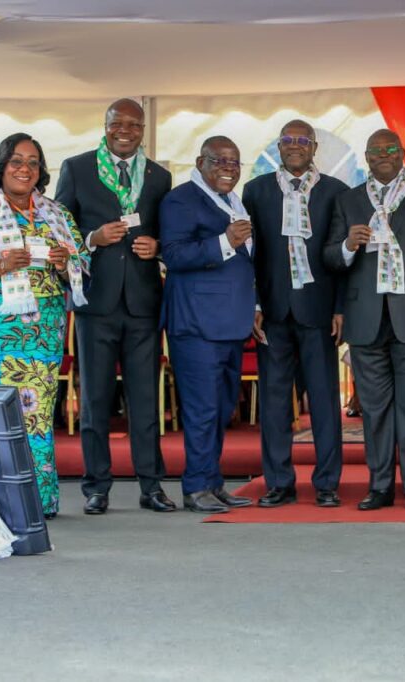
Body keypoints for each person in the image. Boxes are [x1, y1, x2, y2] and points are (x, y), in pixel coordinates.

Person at [0, 133, 90, 518]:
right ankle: (2, 499)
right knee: (2, 411)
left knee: (38, 412)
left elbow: (83, 263)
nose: (25, 169)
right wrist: (1, 265)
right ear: (2, 166)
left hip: (44, 331)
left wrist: (64, 263)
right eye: (17, 161)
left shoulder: (56, 213)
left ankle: (39, 501)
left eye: (33, 163)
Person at [55, 98, 175, 515]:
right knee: (95, 400)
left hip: (143, 301)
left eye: (134, 124)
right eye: (117, 123)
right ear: (104, 126)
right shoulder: (77, 168)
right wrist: (92, 239)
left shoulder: (159, 176)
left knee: (146, 400)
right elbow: (60, 231)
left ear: (143, 130)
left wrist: (157, 246)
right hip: (96, 302)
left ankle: (151, 485)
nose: (125, 131)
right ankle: (96, 486)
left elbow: (168, 232)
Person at [323, 129, 405, 511]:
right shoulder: (348, 200)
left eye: (390, 148)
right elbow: (330, 258)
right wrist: (347, 245)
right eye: (375, 150)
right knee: (375, 412)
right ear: (366, 156)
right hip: (365, 320)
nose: (383, 154)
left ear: (402, 153)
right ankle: (379, 487)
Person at [242, 119, 348, 508]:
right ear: (279, 146)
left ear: (315, 148)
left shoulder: (335, 191)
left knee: (324, 401)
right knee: (274, 402)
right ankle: (279, 482)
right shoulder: (256, 190)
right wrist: (254, 303)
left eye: (303, 140)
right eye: (288, 139)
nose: (295, 145)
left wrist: (340, 308)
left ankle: (327, 483)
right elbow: (249, 254)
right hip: (272, 310)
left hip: (319, 310)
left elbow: (341, 257)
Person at [160, 136, 256, 514]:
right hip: (196, 323)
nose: (228, 168)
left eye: (234, 162)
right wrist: (224, 241)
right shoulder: (181, 200)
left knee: (221, 408)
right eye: (220, 161)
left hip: (230, 322)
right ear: (200, 162)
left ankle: (213, 483)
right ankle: (196, 486)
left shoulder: (233, 200)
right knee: (202, 410)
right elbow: (174, 254)